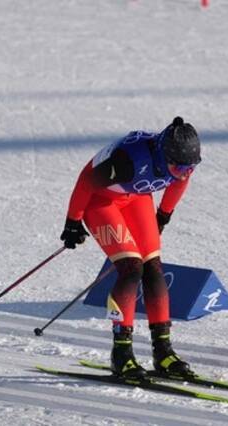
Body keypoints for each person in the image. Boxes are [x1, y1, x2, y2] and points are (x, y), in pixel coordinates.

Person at [59, 116, 201, 379]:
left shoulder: (178, 163)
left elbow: (179, 182)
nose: (183, 173)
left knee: (153, 268)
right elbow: (86, 181)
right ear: (162, 155)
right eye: (179, 168)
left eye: (189, 168)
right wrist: (73, 221)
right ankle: (121, 353)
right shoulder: (129, 161)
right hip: (101, 202)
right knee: (131, 268)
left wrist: (164, 214)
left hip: (136, 198)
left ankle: (163, 352)